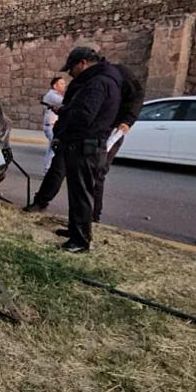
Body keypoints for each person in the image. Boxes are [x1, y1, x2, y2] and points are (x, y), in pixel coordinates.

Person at [49, 47, 122, 252]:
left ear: (82, 63)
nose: (70, 74)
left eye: (72, 68)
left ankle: (80, 241)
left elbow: (84, 115)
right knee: (78, 192)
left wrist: (65, 112)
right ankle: (76, 230)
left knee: (81, 194)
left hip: (86, 145)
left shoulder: (97, 83)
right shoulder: (107, 79)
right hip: (88, 144)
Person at [92, 64, 144, 222]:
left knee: (97, 172)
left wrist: (128, 120)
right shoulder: (93, 77)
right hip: (96, 129)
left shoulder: (121, 73)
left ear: (84, 62)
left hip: (111, 131)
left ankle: (93, 215)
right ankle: (85, 215)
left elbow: (137, 95)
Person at [41, 76, 67, 172]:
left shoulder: (57, 95)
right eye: (61, 83)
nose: (64, 85)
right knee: (54, 148)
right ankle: (47, 169)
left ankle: (47, 168)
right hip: (51, 126)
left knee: (52, 148)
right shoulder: (51, 95)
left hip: (53, 126)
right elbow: (65, 102)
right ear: (55, 86)